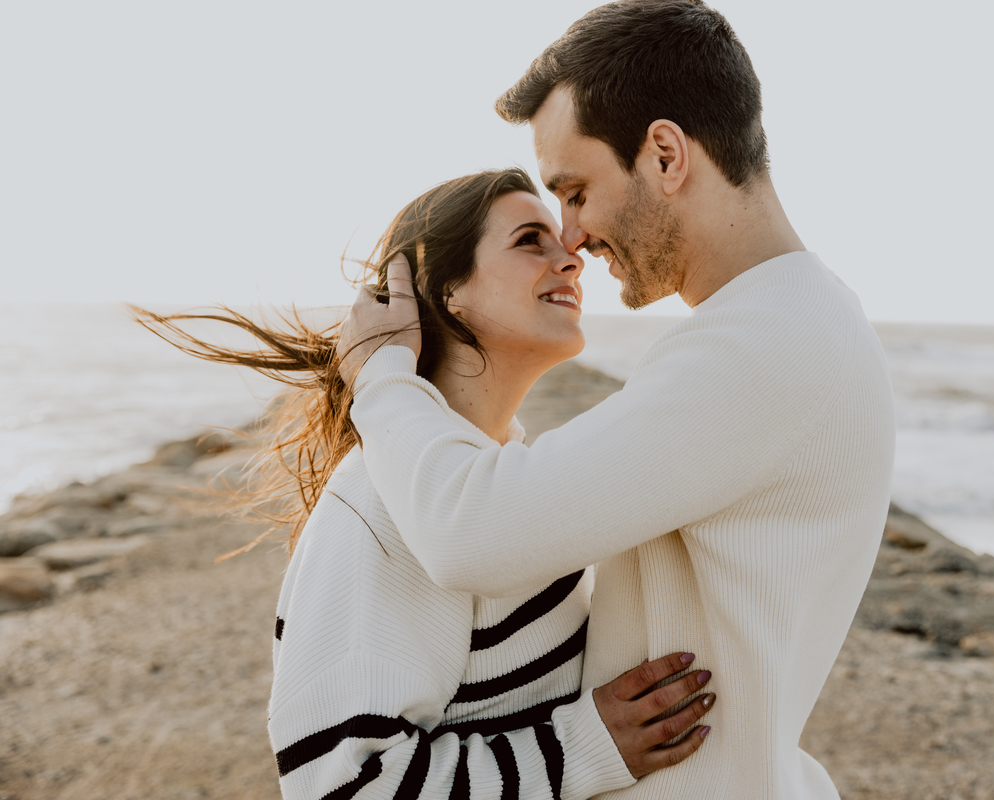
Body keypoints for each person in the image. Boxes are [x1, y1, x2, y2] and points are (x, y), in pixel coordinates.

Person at [335, 1, 896, 798]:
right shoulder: (800, 319)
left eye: (576, 191)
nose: (572, 237)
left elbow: (475, 532)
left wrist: (382, 379)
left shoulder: (763, 345)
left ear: (666, 154)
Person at [133, 168, 717, 799]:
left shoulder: (499, 480)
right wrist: (584, 746)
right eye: (530, 240)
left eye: (561, 239)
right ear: (444, 294)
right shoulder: (382, 501)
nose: (571, 257)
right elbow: (340, 784)